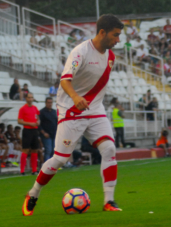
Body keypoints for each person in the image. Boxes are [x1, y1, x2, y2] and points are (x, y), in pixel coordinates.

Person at [22, 14, 124, 216]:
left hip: (95, 110)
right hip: (72, 110)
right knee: (60, 159)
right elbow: (65, 81)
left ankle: (109, 201)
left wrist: (89, 101)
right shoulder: (80, 52)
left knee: (109, 148)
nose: (118, 40)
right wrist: (76, 98)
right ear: (102, 32)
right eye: (115, 35)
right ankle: (33, 193)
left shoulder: (111, 57)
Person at [17, 92, 40, 176]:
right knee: (26, 149)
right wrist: (30, 124)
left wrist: (38, 122)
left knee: (35, 149)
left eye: (32, 97)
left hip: (35, 130)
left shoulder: (35, 108)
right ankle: (22, 170)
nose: (30, 99)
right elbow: (19, 121)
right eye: (29, 97)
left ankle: (34, 169)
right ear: (26, 98)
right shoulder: (22, 109)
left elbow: (37, 118)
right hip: (27, 130)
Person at [39, 97, 57, 161]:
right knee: (48, 150)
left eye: (51, 102)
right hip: (46, 135)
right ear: (46, 103)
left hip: (54, 134)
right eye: (48, 103)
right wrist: (43, 133)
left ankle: (52, 165)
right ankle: (46, 165)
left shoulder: (54, 112)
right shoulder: (42, 112)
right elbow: (39, 124)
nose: (50, 104)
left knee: (53, 150)